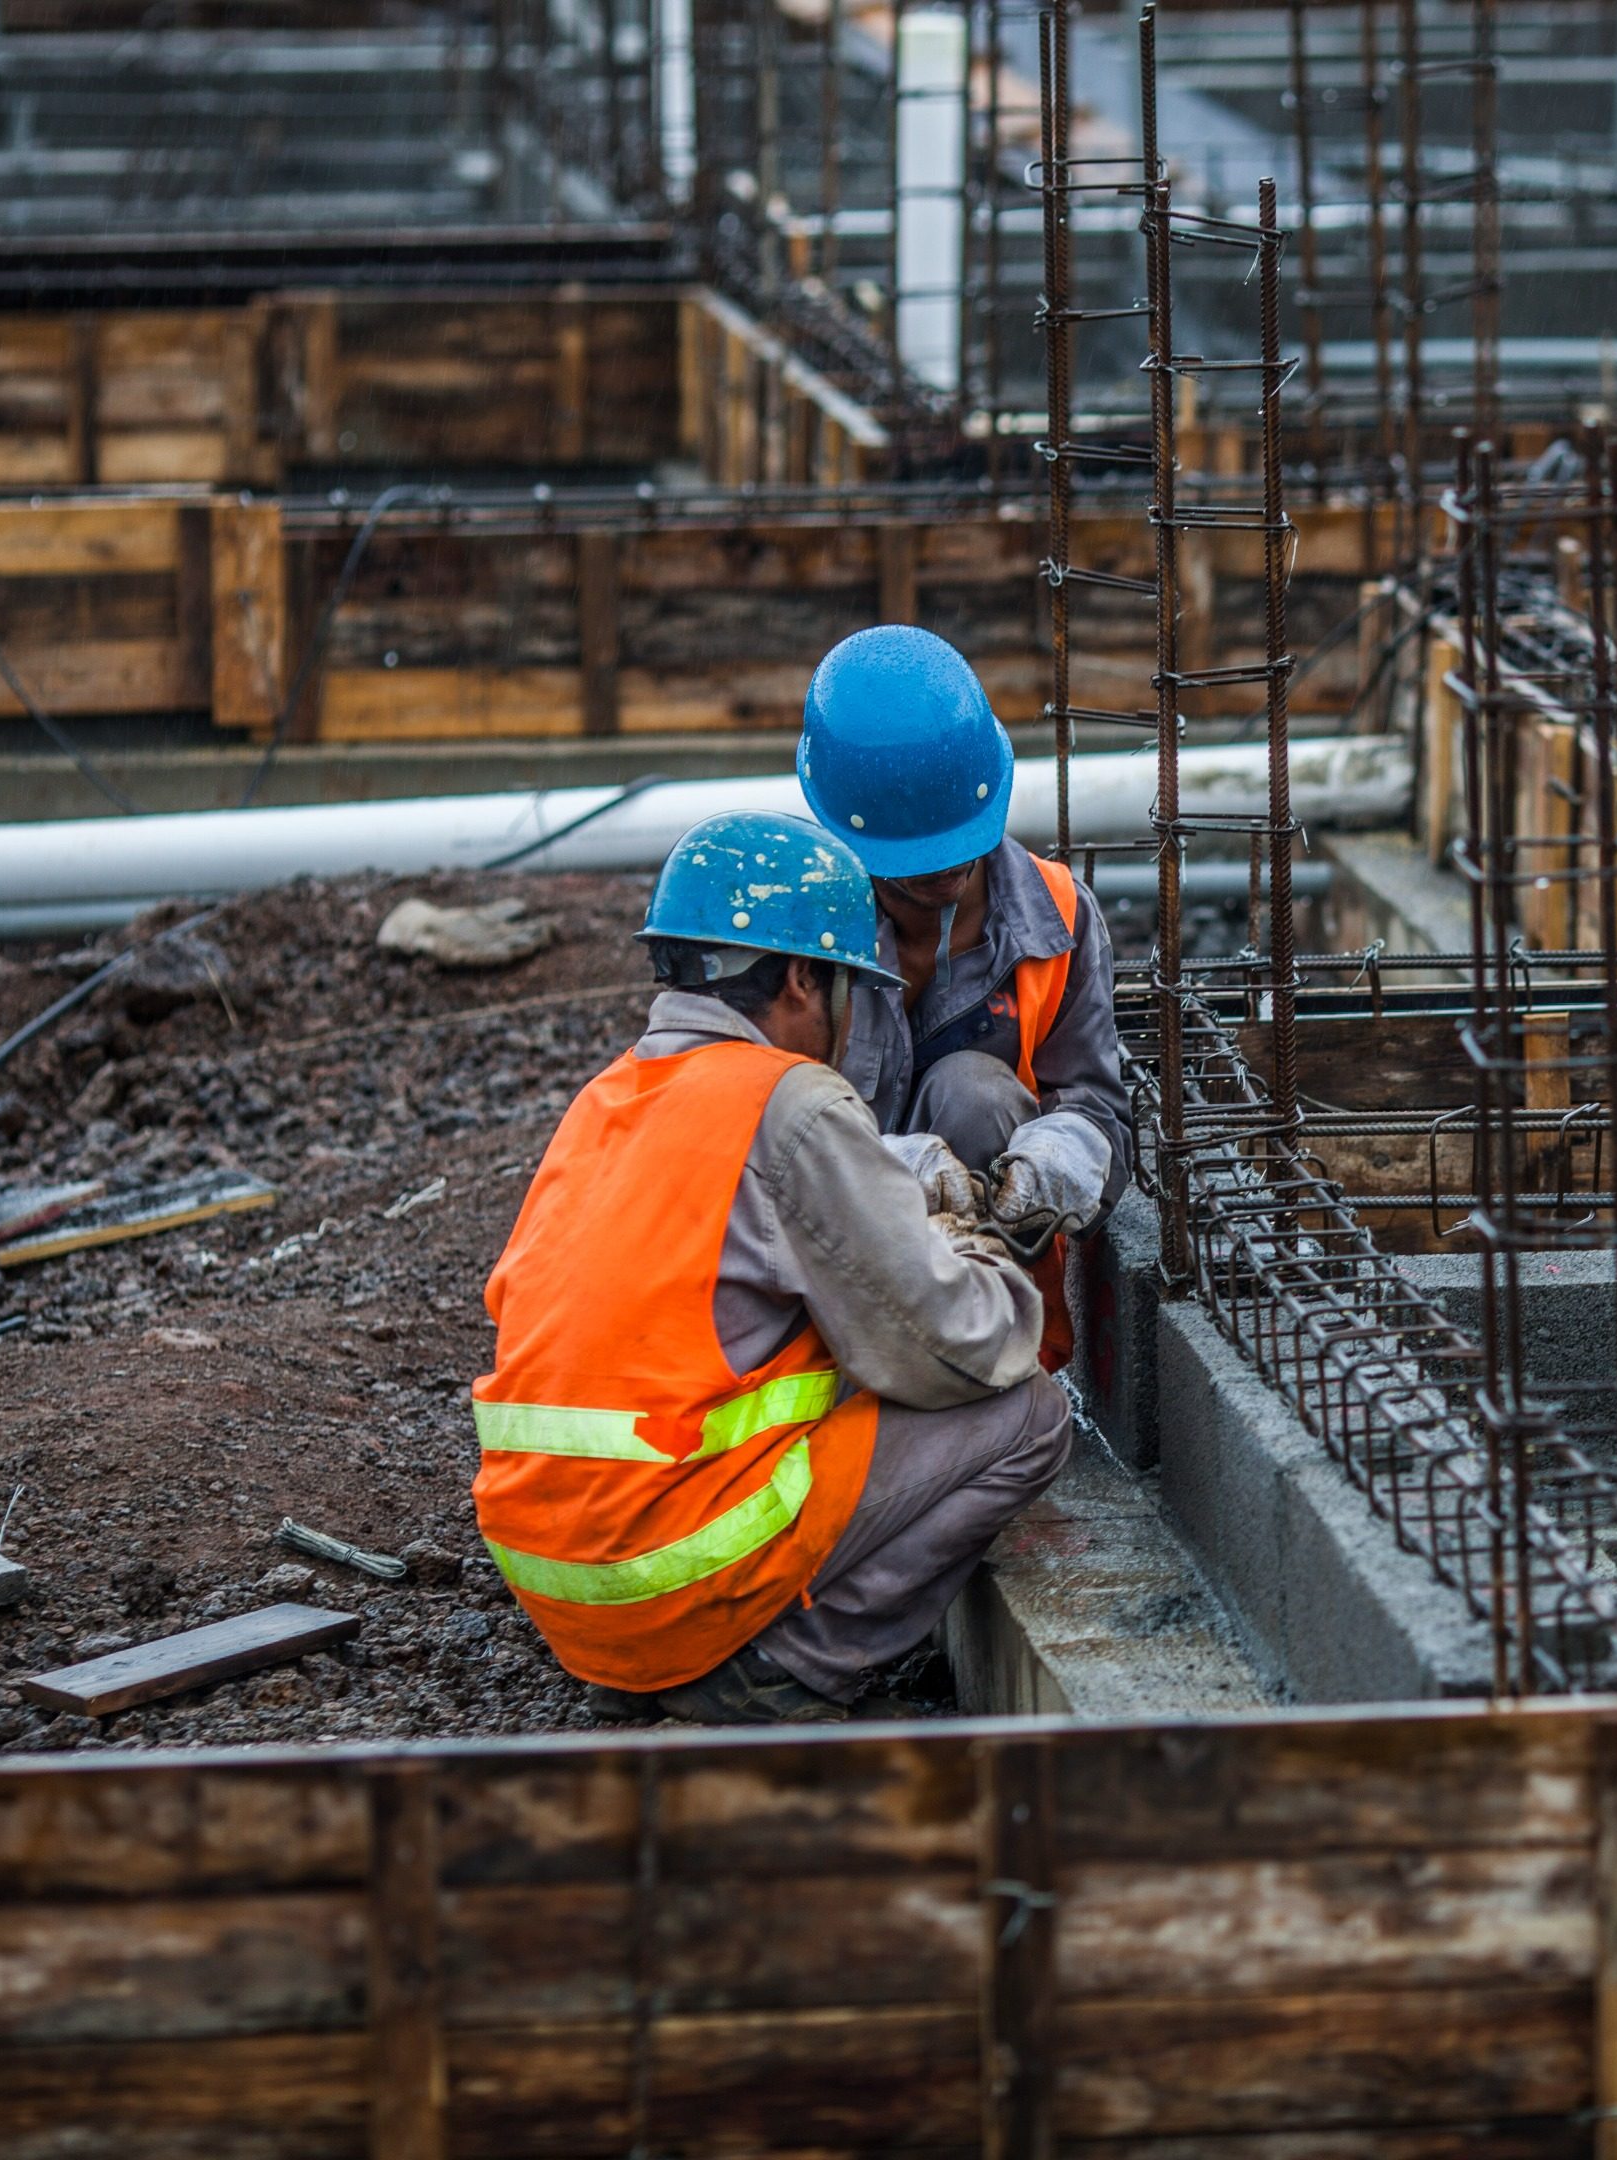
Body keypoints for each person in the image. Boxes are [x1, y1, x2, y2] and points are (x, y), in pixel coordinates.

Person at [470, 810, 1070, 1724]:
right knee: (1027, 1412)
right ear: (800, 978)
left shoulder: (604, 1101)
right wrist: (975, 1246)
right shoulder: (785, 1100)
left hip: (558, 1582)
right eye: (844, 991)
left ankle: (670, 1657)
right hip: (665, 1572)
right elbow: (961, 1345)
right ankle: (785, 1669)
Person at [795, 625, 1133, 1367]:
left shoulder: (1057, 917)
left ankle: (991, 1357)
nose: (947, 878)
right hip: (820, 1256)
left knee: (974, 1092)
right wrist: (880, 1171)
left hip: (984, 1285)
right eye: (917, 867)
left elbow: (1101, 1106)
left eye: (958, 854)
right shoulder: (802, 928)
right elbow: (746, 1124)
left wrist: (1063, 1155)